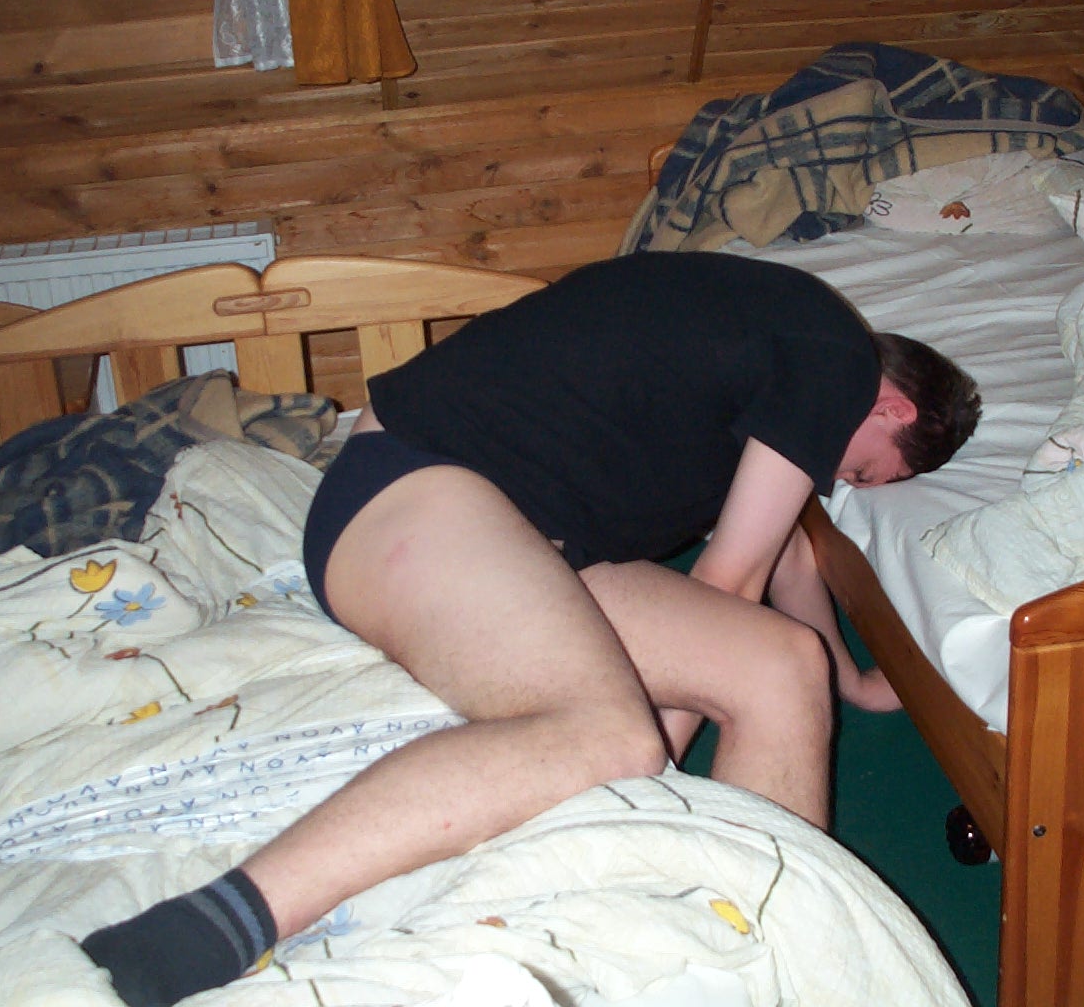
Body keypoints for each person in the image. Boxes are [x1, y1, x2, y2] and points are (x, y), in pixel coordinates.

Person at [79, 250, 981, 1007]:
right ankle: (197, 933)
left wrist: (851, 682)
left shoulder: (781, 351)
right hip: (409, 492)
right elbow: (729, 579)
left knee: (780, 666)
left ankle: (755, 965)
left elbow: (784, 558)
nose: (846, 485)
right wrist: (651, 782)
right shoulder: (830, 356)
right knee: (609, 735)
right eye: (871, 473)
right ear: (893, 410)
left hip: (511, 542)